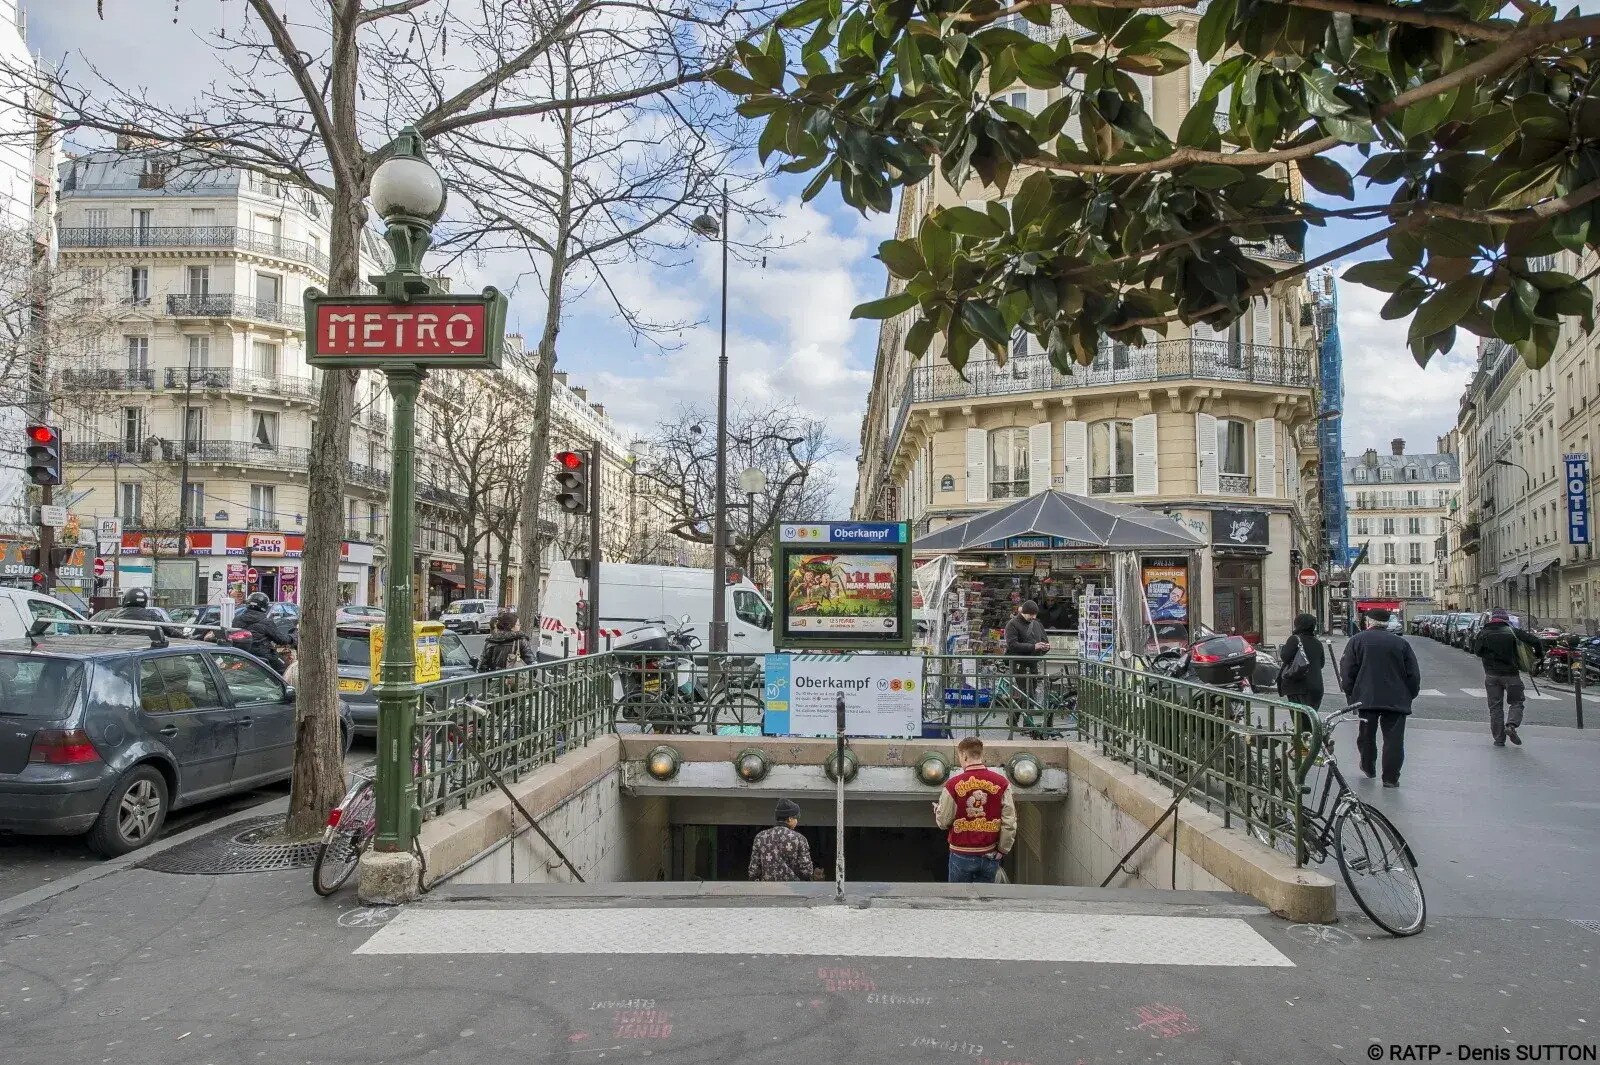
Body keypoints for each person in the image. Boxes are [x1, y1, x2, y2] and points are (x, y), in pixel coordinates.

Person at [1338, 607, 1421, 788]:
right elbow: (1413, 674)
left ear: (1368, 622)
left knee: (1366, 735)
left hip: (1366, 696)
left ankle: (1368, 767)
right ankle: (1391, 778)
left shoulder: (1357, 641)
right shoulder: (1400, 643)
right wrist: (1410, 694)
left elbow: (1347, 671)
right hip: (1396, 697)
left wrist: (1351, 694)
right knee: (1394, 739)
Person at [934, 736, 1018, 883]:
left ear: (964, 755)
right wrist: (1003, 850)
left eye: (960, 756)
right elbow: (1009, 822)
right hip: (990, 853)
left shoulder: (952, 785)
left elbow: (943, 822)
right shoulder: (1002, 783)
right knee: (985, 901)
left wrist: (938, 811)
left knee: (959, 899)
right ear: (981, 754)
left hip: (961, 854)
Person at [1470, 608, 1543, 747]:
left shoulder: (1484, 633)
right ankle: (1511, 725)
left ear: (1492, 620)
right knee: (1517, 702)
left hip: (1492, 675)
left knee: (1495, 707)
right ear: (1505, 620)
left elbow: (1477, 651)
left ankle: (1499, 739)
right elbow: (1536, 642)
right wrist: (1538, 655)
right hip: (1512, 675)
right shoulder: (1512, 632)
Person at [1003, 599, 1052, 715]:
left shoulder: (1037, 624)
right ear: (1024, 612)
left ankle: (1013, 719)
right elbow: (1013, 645)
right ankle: (1027, 726)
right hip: (1019, 663)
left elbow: (1044, 640)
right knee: (1027, 693)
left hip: (1033, 663)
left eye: (1035, 614)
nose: (1033, 617)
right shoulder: (1012, 624)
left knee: (1028, 693)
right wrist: (1033, 647)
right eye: (1031, 614)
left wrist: (1046, 647)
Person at [747, 799, 814, 882]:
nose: (797, 821)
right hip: (793, 890)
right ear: (790, 818)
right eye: (796, 817)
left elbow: (753, 871)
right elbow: (807, 871)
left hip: (767, 889)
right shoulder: (799, 838)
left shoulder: (760, 837)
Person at [233, 591, 296, 674]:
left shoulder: (237, 619)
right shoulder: (266, 621)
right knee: (284, 669)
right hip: (262, 654)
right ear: (264, 606)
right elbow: (281, 639)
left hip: (241, 654)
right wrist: (292, 637)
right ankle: (282, 686)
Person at [1277, 612, 1326, 710]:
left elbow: (1285, 657)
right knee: (1311, 721)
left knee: (1300, 721)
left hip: (1297, 686)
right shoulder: (1317, 643)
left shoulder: (1294, 639)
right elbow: (1321, 664)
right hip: (1316, 687)